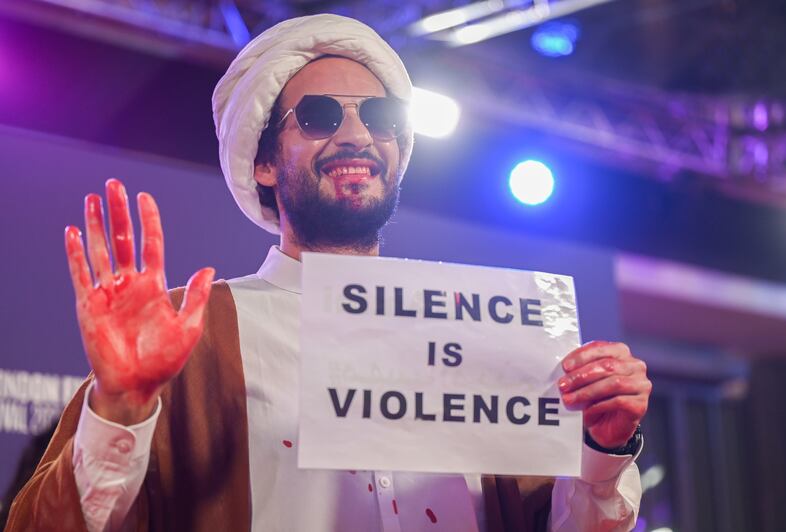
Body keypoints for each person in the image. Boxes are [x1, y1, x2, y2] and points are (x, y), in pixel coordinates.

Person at [6, 14, 651, 532]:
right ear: (263, 163)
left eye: (381, 119)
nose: (355, 137)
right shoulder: (194, 337)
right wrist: (119, 407)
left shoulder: (478, 332)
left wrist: (600, 448)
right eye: (318, 117)